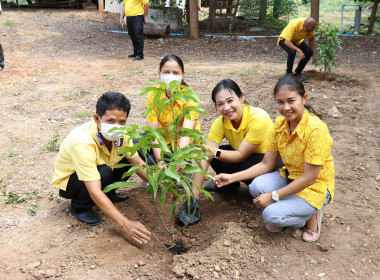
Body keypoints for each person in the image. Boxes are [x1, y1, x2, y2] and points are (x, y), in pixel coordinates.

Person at [214, 76, 335, 242]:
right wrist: (231, 178)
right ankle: (293, 207)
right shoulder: (279, 125)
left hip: (315, 187)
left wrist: (273, 196)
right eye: (280, 102)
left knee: (271, 217)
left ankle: (311, 214)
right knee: (256, 187)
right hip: (291, 176)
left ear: (304, 98)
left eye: (291, 101)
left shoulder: (316, 130)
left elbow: (310, 178)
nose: (286, 108)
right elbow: (266, 164)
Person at [175, 79, 282, 226]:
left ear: (241, 98)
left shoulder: (259, 118)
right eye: (220, 104)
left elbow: (240, 156)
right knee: (212, 154)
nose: (226, 108)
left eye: (230, 101)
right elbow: (205, 156)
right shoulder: (221, 122)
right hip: (245, 160)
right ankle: (230, 185)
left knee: (218, 153)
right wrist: (193, 199)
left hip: (267, 163)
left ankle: (256, 187)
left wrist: (213, 152)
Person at [52, 92, 151, 244]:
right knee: (103, 171)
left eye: (122, 122)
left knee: (128, 157)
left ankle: (110, 193)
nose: (116, 127)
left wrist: (159, 183)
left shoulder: (122, 136)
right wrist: (125, 223)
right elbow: (94, 190)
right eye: (110, 121)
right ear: (97, 119)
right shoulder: (83, 142)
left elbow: (137, 163)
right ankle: (80, 206)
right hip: (71, 182)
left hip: (101, 171)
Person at [142, 54, 200, 167]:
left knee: (150, 162)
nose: (171, 76)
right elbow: (154, 132)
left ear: (182, 75)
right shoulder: (153, 94)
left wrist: (180, 156)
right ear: (159, 73)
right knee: (138, 148)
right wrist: (160, 162)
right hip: (162, 138)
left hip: (181, 142)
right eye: (166, 72)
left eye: (176, 73)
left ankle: (186, 163)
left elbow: (187, 133)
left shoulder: (189, 96)